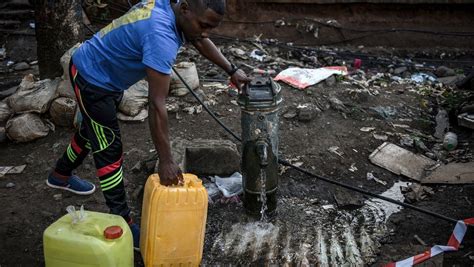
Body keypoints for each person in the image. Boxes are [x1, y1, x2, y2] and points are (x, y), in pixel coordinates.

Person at [46, 0, 251, 250]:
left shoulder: (173, 10)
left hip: (105, 74)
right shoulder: (160, 36)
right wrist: (166, 160)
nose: (205, 32)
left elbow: (198, 38)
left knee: (93, 131)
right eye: (203, 25)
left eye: (211, 27)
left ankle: (60, 174)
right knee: (109, 148)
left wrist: (232, 69)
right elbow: (156, 105)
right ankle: (121, 220)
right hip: (92, 76)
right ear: (185, 8)